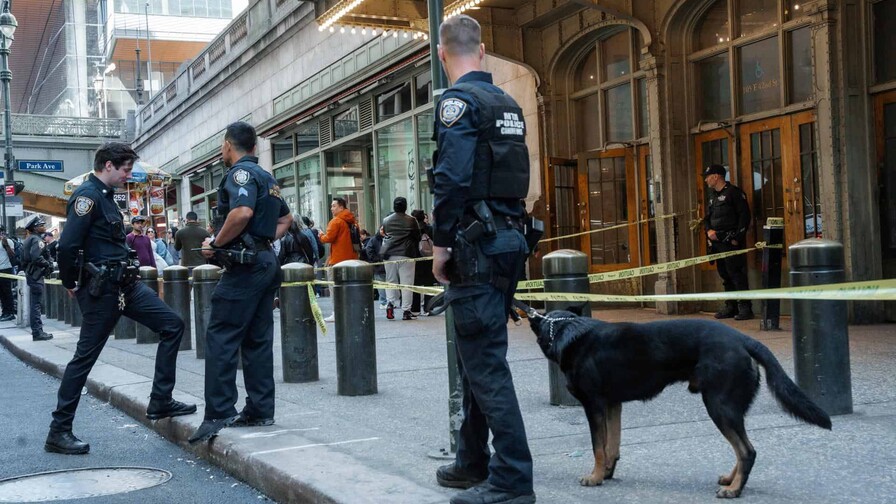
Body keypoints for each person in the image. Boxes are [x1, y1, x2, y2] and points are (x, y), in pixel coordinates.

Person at [430, 15, 535, 504]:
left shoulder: (457, 102)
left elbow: (451, 179)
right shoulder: (507, 102)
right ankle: (472, 461)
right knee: (478, 355)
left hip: (475, 246)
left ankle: (513, 481)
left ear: (440, 52)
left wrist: (441, 245)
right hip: (509, 240)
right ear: (485, 49)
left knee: (486, 363)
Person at [47, 142, 195, 455]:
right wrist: (70, 281)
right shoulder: (88, 197)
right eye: (126, 169)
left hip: (126, 286)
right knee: (84, 359)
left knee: (172, 325)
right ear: (109, 165)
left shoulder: (105, 197)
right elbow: (67, 246)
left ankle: (160, 400)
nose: (128, 175)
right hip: (102, 291)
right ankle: (59, 430)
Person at [188, 121, 292, 444]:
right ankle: (260, 409)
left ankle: (219, 412)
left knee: (221, 334)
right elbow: (286, 219)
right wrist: (259, 242)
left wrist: (218, 244)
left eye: (222, 146)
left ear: (227, 144)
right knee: (257, 338)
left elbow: (242, 212)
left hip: (246, 268)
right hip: (264, 262)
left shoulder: (240, 174)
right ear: (255, 147)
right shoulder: (268, 178)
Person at [703, 164, 753, 320]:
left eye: (707, 176)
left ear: (716, 176)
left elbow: (744, 217)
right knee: (724, 275)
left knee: (736, 274)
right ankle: (730, 306)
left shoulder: (734, 193)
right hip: (717, 244)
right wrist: (709, 231)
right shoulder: (712, 197)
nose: (706, 180)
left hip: (730, 242)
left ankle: (745, 308)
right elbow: (707, 218)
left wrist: (736, 239)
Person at [318, 197, 359, 322]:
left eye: (334, 206)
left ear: (341, 207)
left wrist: (320, 234)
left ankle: (337, 313)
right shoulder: (352, 221)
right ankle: (351, 311)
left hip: (337, 260)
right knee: (349, 288)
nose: (332, 208)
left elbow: (327, 238)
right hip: (351, 259)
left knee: (334, 288)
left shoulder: (336, 221)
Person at [381, 196, 421, 321]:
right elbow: (417, 236)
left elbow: (386, 233)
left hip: (389, 253)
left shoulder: (386, 220)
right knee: (407, 283)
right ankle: (406, 311)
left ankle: (390, 304)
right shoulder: (411, 220)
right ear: (405, 206)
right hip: (406, 253)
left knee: (390, 280)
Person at [21, 215, 54, 341]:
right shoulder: (36, 240)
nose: (44, 227)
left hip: (32, 274)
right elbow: (36, 257)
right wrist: (47, 264)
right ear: (35, 228)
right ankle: (37, 332)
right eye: (41, 225)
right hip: (36, 275)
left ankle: (37, 331)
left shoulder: (30, 239)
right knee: (36, 305)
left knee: (35, 304)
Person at [411, 209, 436, 315]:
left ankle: (415, 308)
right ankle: (428, 307)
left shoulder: (411, 230)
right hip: (429, 259)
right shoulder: (430, 229)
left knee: (415, 284)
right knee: (428, 284)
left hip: (415, 259)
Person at [365, 225, 388, 308]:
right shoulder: (374, 240)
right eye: (382, 229)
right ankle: (383, 302)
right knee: (381, 286)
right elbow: (369, 250)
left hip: (388, 266)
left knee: (389, 285)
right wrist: (377, 260)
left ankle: (389, 302)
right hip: (379, 267)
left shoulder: (389, 239)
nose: (383, 231)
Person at [0, 226, 17, 321]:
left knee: (7, 292)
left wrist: (6, 244)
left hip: (5, 269)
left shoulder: (7, 241)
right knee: (1, 293)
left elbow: (12, 255)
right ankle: (5, 312)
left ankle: (10, 313)